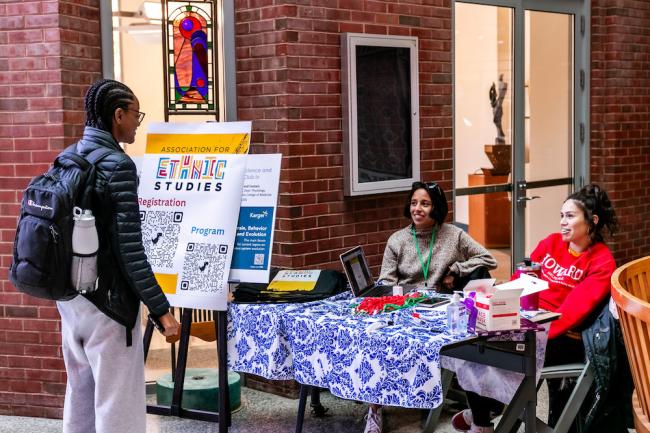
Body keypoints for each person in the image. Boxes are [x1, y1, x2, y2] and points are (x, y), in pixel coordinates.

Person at [56, 79, 180, 433]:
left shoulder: (69, 156)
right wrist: (161, 310)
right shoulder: (118, 166)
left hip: (70, 299)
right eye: (135, 116)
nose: (136, 124)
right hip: (108, 305)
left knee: (80, 393)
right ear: (118, 114)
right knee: (118, 403)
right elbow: (130, 249)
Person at [451, 184, 619, 433]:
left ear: (592, 221)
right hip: (529, 321)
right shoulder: (552, 243)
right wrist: (498, 306)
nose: (562, 222)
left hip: (561, 337)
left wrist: (520, 332)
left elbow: (570, 315)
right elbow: (521, 282)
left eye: (570, 216)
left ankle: (487, 412)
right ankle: (484, 415)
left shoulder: (602, 261)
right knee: (469, 339)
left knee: (492, 348)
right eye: (561, 215)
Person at [363, 181, 497, 433]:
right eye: (414, 203)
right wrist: (402, 299)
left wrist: (457, 268)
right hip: (407, 308)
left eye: (425, 203)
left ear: (436, 207)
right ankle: (374, 410)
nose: (418, 208)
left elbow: (487, 259)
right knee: (377, 341)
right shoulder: (397, 240)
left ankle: (478, 412)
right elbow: (386, 282)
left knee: (468, 342)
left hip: (442, 309)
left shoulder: (453, 235)